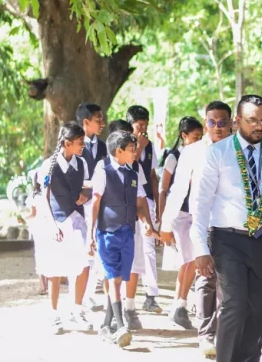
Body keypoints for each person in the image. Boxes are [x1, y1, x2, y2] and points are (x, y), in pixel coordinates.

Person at [191, 95, 262, 362]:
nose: (259, 126)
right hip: (227, 240)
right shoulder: (217, 154)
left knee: (259, 310)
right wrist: (200, 248)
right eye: (252, 120)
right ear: (237, 121)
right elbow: (201, 204)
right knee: (235, 304)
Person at [161, 101, 234, 358]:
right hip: (201, 223)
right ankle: (206, 336)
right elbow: (178, 188)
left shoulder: (237, 149)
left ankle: (225, 334)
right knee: (205, 278)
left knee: (227, 282)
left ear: (231, 123)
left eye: (222, 122)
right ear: (205, 124)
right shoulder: (192, 152)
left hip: (231, 224)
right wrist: (166, 224)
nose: (217, 127)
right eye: (212, 122)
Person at [88, 130, 159, 347]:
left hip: (128, 232)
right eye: (131, 149)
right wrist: (91, 234)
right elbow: (95, 204)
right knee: (113, 279)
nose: (135, 153)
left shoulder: (133, 174)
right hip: (108, 232)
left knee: (118, 279)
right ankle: (120, 326)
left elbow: (140, 204)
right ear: (119, 151)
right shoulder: (103, 171)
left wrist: (146, 223)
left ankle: (106, 324)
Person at [36, 122, 93, 334]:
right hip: (57, 221)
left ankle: (77, 310)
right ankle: (54, 313)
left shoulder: (81, 163)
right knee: (55, 269)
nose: (83, 146)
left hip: (77, 220)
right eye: (80, 142)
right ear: (67, 143)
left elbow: (86, 187)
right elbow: (44, 198)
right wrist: (52, 226)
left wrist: (85, 195)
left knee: (84, 265)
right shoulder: (49, 165)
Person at [158, 116, 203, 330]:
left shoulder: (200, 155)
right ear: (184, 136)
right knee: (190, 260)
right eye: (195, 137)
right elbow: (164, 189)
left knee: (188, 261)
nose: (198, 141)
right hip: (179, 214)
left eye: (201, 137)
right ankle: (181, 304)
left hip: (195, 213)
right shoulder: (174, 157)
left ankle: (178, 305)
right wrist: (162, 219)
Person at [126, 105, 162, 314]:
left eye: (145, 125)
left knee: (149, 247)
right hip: (126, 202)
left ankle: (151, 295)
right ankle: (125, 296)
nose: (142, 129)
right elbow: (131, 164)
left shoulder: (149, 146)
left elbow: (152, 176)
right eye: (138, 125)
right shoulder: (123, 144)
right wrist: (138, 146)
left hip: (146, 201)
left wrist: (157, 203)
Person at [76, 102, 107, 312]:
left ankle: (90, 294)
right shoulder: (76, 145)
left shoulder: (103, 146)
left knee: (97, 247)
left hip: (100, 202)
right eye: (98, 120)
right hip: (81, 204)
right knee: (85, 248)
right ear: (86, 122)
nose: (102, 123)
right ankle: (81, 296)